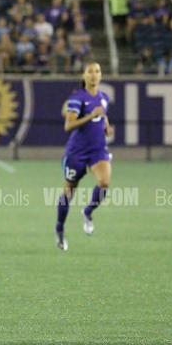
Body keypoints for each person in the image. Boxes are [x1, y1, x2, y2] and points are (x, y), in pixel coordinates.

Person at [55, 62, 114, 251]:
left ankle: (88, 211)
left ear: (101, 75)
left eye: (97, 71)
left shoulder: (103, 97)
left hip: (98, 150)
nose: (94, 75)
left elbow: (102, 116)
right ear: (84, 76)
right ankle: (60, 229)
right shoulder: (77, 98)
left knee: (104, 183)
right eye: (90, 72)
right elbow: (68, 126)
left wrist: (106, 125)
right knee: (69, 191)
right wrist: (90, 116)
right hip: (77, 152)